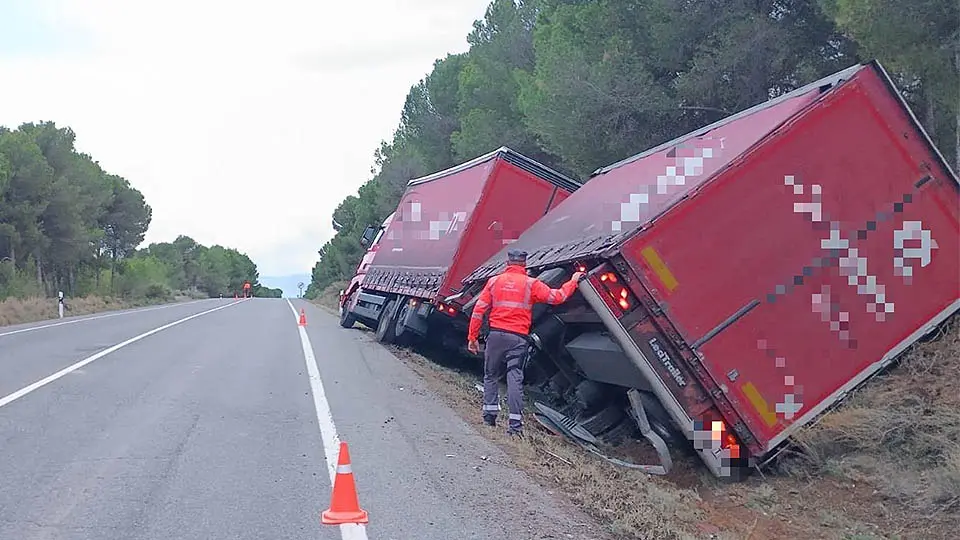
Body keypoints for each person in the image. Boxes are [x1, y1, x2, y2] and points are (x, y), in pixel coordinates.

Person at [467, 249, 585, 435]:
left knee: (491, 375)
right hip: (517, 339)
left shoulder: (494, 282)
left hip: (496, 336)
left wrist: (472, 337)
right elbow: (557, 297)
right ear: (524, 264)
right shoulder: (532, 284)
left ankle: (489, 416)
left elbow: (478, 311)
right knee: (514, 378)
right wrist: (573, 281)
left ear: (508, 263)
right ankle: (515, 426)